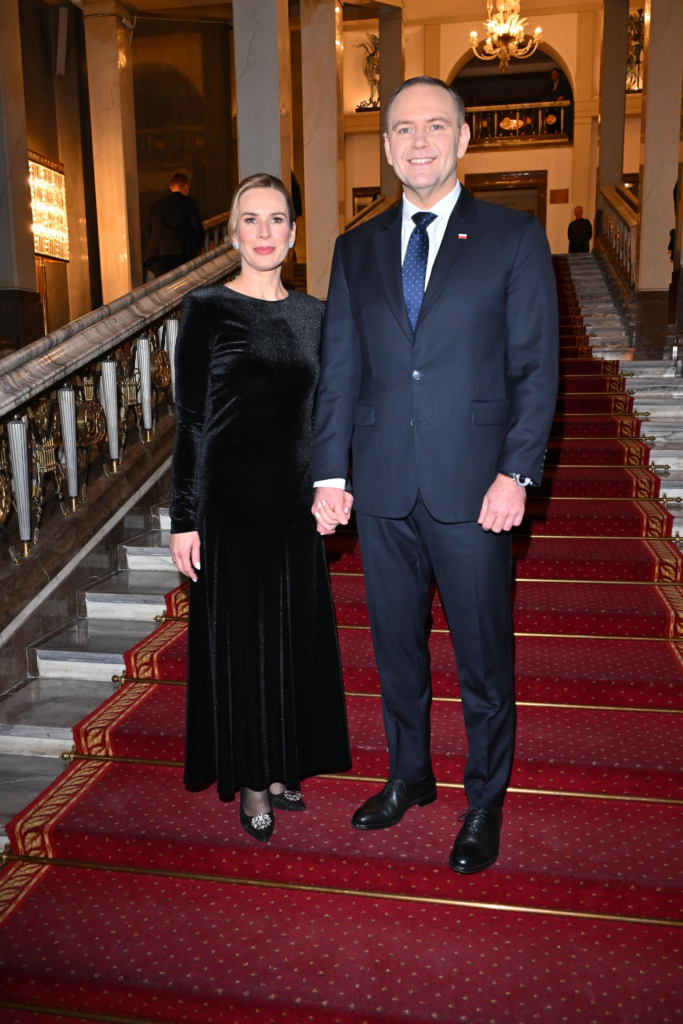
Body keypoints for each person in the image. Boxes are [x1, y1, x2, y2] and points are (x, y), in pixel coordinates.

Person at [311, 77, 558, 875]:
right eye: (402, 129)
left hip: (474, 489)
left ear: (462, 139)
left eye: (434, 127)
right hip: (382, 487)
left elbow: (534, 367)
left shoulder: (514, 237)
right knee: (395, 651)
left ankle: (483, 798)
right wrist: (328, 472)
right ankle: (409, 775)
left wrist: (515, 473)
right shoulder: (355, 249)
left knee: (482, 659)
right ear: (386, 146)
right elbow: (338, 371)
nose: (418, 142)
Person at [169, 173, 351, 843]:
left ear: (294, 233)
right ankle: (252, 777)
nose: (264, 231)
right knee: (245, 642)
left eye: (276, 219)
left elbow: (330, 413)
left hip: (294, 501)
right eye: (251, 219)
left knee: (291, 635)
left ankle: (282, 764)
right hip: (230, 503)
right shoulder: (206, 307)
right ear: (232, 234)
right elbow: (191, 421)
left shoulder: (316, 315)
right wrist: (184, 517)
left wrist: (333, 483)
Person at [143, 172, 205, 281]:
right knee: (184, 285)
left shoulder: (155, 206)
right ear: (186, 187)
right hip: (182, 253)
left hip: (159, 256)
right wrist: (198, 245)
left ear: (171, 187)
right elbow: (198, 230)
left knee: (164, 287)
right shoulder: (189, 203)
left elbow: (149, 234)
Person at [542, 67, 571, 134]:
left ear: (558, 74)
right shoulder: (550, 85)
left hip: (560, 109)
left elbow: (569, 93)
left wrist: (562, 97)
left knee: (559, 125)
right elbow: (543, 93)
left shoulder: (563, 83)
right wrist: (552, 91)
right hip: (551, 109)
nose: (553, 76)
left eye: (555, 74)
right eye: (552, 74)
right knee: (550, 126)